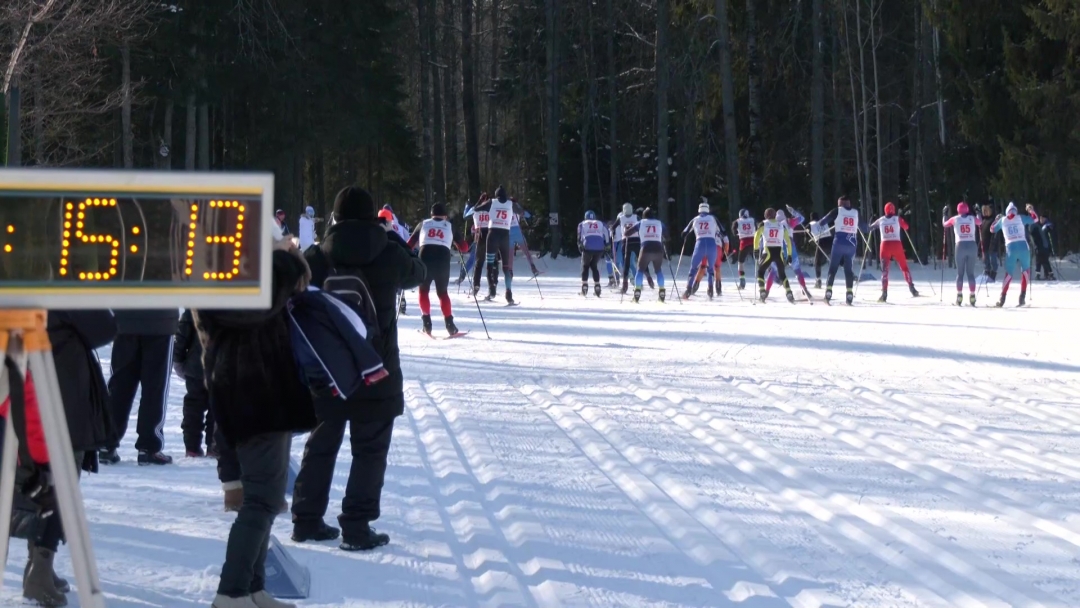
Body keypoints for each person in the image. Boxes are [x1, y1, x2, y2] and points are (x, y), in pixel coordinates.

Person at [291, 186, 425, 551]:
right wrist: (395, 242)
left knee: (320, 444)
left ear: (334, 217)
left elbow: (289, 286)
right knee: (370, 451)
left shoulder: (317, 257)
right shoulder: (389, 253)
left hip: (328, 370)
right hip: (377, 369)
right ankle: (356, 525)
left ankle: (306, 520)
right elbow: (419, 271)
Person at [196, 223, 316, 608]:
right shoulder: (227, 277)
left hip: (262, 393)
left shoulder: (236, 274)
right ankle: (230, 592)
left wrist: (286, 261)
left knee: (266, 496)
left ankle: (253, 587)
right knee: (261, 500)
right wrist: (283, 259)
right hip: (251, 394)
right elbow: (256, 305)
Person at [4, 310, 116, 607]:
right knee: (60, 483)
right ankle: (38, 572)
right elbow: (104, 327)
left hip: (26, 382)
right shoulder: (60, 282)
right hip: (58, 389)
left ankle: (40, 565)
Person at [100, 309, 179, 466]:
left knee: (119, 386)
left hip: (126, 320)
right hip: (160, 322)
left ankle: (107, 443)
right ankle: (149, 447)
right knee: (155, 388)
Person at [408, 203, 468, 336]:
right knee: (442, 293)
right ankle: (450, 325)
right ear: (445, 215)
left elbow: (409, 245)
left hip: (424, 259)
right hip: (442, 261)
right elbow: (464, 248)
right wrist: (456, 242)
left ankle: (426, 324)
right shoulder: (449, 226)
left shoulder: (423, 223)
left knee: (423, 291)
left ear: (431, 214)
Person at [470, 186, 527, 303]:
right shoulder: (510, 203)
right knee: (506, 267)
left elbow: (475, 209)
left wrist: (481, 201)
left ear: (496, 195)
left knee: (489, 265)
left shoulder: (492, 202)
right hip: (505, 236)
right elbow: (522, 213)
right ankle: (508, 294)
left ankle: (492, 290)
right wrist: (516, 204)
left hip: (492, 236)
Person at [173, 309, 215, 457]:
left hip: (195, 367)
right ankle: (214, 445)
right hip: (221, 365)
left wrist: (178, 359)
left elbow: (182, 334)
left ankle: (192, 447)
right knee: (218, 407)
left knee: (193, 408)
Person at [816, 196, 865, 305]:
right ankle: (849, 294)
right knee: (848, 269)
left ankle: (828, 292)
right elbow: (865, 228)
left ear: (840, 204)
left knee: (833, 268)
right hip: (852, 244)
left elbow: (822, 222)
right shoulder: (856, 212)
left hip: (838, 243)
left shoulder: (837, 210)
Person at [867, 202, 919, 303]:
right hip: (896, 245)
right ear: (893, 210)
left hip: (885, 245)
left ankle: (884, 293)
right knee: (904, 267)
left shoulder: (881, 220)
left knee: (885, 271)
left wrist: (871, 221)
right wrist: (902, 219)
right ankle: (912, 288)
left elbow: (870, 228)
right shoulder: (897, 219)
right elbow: (906, 227)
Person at [990, 202, 1038, 307]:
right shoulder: (1020, 218)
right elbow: (1035, 219)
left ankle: (1002, 298)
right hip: (1024, 248)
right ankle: (1022, 297)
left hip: (1011, 249)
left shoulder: (1003, 220)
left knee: (1009, 274)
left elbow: (992, 229)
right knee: (1025, 272)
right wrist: (1031, 210)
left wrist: (996, 220)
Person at [624, 207, 668, 303]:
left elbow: (627, 233)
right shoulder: (659, 223)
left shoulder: (641, 222)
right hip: (658, 248)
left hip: (646, 248)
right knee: (658, 270)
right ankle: (661, 290)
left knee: (640, 269)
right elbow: (667, 236)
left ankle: (637, 290)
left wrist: (626, 228)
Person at [942, 202, 982, 306]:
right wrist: (978, 212)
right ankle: (972, 297)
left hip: (960, 246)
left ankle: (959, 297)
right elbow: (980, 222)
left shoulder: (955, 219)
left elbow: (944, 224)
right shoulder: (972, 218)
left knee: (960, 273)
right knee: (970, 273)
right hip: (972, 245)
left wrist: (944, 215)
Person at [682, 200, 723, 300]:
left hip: (699, 244)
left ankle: (688, 289)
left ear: (699, 210)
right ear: (708, 209)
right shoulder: (713, 218)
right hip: (711, 244)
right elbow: (723, 231)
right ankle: (710, 289)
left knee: (694, 268)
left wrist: (686, 237)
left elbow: (684, 233)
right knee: (710, 268)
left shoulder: (695, 219)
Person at [754, 208, 796, 303]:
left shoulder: (763, 224)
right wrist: (789, 254)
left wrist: (756, 249)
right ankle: (789, 292)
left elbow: (756, 236)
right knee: (782, 274)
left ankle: (762, 291)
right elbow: (788, 241)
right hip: (779, 251)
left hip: (768, 251)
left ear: (766, 215)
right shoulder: (781, 225)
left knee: (760, 272)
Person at [577, 211, 609, 297]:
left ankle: (584, 287)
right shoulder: (601, 223)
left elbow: (579, 235)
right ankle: (597, 286)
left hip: (588, 247)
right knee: (594, 265)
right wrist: (607, 244)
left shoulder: (582, 224)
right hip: (599, 248)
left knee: (585, 265)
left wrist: (579, 244)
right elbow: (606, 232)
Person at [731, 209, 756, 290]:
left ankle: (742, 281)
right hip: (753, 241)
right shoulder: (752, 220)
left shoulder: (737, 221)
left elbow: (734, 232)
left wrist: (738, 233)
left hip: (744, 242)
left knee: (740, 263)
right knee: (759, 260)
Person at [808, 210, 833, 289]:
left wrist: (807, 232)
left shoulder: (811, 224)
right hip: (830, 241)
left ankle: (818, 281)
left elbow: (805, 230)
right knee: (837, 258)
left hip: (821, 242)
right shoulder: (824, 222)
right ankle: (850, 273)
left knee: (817, 262)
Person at [980, 204, 999, 281]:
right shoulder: (983, 221)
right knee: (986, 260)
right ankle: (987, 273)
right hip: (984, 244)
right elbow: (981, 234)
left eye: (986, 210)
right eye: (984, 211)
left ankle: (993, 273)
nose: (985, 212)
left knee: (993, 260)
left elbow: (995, 234)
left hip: (991, 244)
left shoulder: (993, 221)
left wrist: (993, 244)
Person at [1034, 215, 1056, 280]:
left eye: (1042, 218)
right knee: (1043, 260)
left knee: (1043, 260)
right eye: (1040, 218)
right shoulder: (1042, 226)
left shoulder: (1047, 226)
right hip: (1043, 246)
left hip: (1046, 247)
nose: (1040, 220)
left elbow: (1050, 236)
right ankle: (1047, 274)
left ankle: (1048, 274)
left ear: (1045, 218)